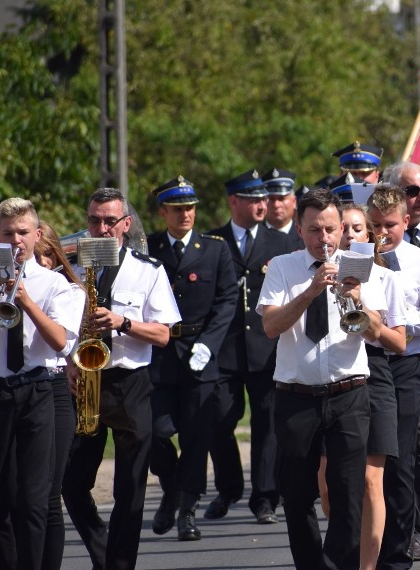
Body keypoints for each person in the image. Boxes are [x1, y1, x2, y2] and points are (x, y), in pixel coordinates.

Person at [0, 198, 83, 570]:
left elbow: (60, 341)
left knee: (33, 500)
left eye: (22, 232)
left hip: (38, 390)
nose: (15, 240)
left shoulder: (55, 284)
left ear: (36, 234)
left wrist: (25, 300)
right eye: (7, 233)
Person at [257, 187, 385, 570]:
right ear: (300, 229)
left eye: (331, 229)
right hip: (296, 397)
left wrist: (357, 298)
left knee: (348, 495)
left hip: (349, 392)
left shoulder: (359, 263)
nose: (324, 239)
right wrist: (311, 292)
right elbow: (270, 326)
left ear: (341, 227)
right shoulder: (282, 267)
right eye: (314, 230)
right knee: (296, 496)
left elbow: (377, 332)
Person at [62, 188, 180, 570]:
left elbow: (164, 333)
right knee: (71, 483)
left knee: (130, 489)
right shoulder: (71, 270)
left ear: (125, 225)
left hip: (131, 384)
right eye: (94, 220)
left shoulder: (149, 270)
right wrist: (68, 363)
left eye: (109, 221)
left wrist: (123, 322)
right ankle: (102, 553)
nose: (101, 228)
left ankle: (120, 564)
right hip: (84, 380)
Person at [146, 176, 237, 541]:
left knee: (197, 437)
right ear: (163, 211)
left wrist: (210, 343)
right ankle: (170, 488)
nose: (186, 214)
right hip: (160, 356)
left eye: (190, 208)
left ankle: (187, 509)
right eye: (178, 209)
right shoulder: (148, 249)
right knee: (156, 431)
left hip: (201, 355)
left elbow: (227, 299)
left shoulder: (214, 249)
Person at [318, 203, 407, 570]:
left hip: (375, 372)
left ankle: (367, 567)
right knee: (327, 480)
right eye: (345, 228)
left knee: (372, 479)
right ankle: (345, 546)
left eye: (358, 229)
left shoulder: (386, 279)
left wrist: (362, 305)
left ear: (368, 236)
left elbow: (398, 342)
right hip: (334, 371)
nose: (351, 234)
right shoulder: (321, 273)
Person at [366, 184, 420, 570]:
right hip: (363, 362)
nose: (383, 233)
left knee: (398, 463)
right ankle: (362, 546)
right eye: (376, 225)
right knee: (363, 464)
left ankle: (396, 554)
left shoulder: (419, 261)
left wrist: (399, 323)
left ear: (405, 221)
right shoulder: (357, 257)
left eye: (391, 225)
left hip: (402, 366)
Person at [206, 169, 291, 524]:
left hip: (267, 346)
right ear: (234, 202)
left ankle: (265, 497)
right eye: (254, 199)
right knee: (218, 420)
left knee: (267, 424)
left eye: (265, 199)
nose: (263, 205)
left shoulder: (283, 243)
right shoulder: (212, 241)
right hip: (225, 348)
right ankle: (227, 488)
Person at [34, 220, 84, 570]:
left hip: (54, 389)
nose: (39, 263)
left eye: (43, 255)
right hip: (16, 388)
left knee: (51, 495)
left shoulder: (68, 290)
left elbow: (65, 341)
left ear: (54, 256)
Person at [263, 167, 305, 250]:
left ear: (294, 201)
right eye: (271, 199)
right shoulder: (252, 237)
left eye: (281, 198)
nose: (276, 205)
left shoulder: (306, 236)